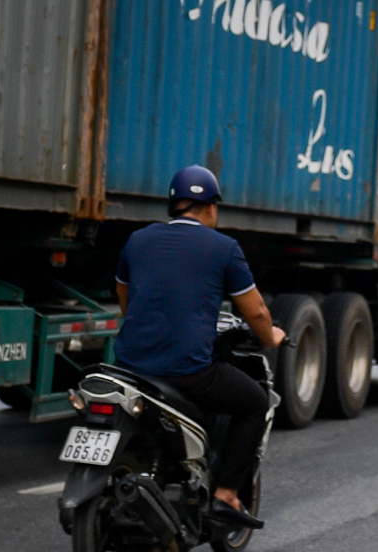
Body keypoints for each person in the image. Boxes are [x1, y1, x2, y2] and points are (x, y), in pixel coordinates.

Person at [114, 165, 285, 528]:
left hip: (130, 367)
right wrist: (271, 338)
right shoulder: (223, 248)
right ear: (210, 207)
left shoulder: (138, 240)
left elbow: (125, 298)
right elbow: (255, 310)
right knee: (255, 402)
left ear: (173, 206)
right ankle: (225, 493)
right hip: (187, 373)